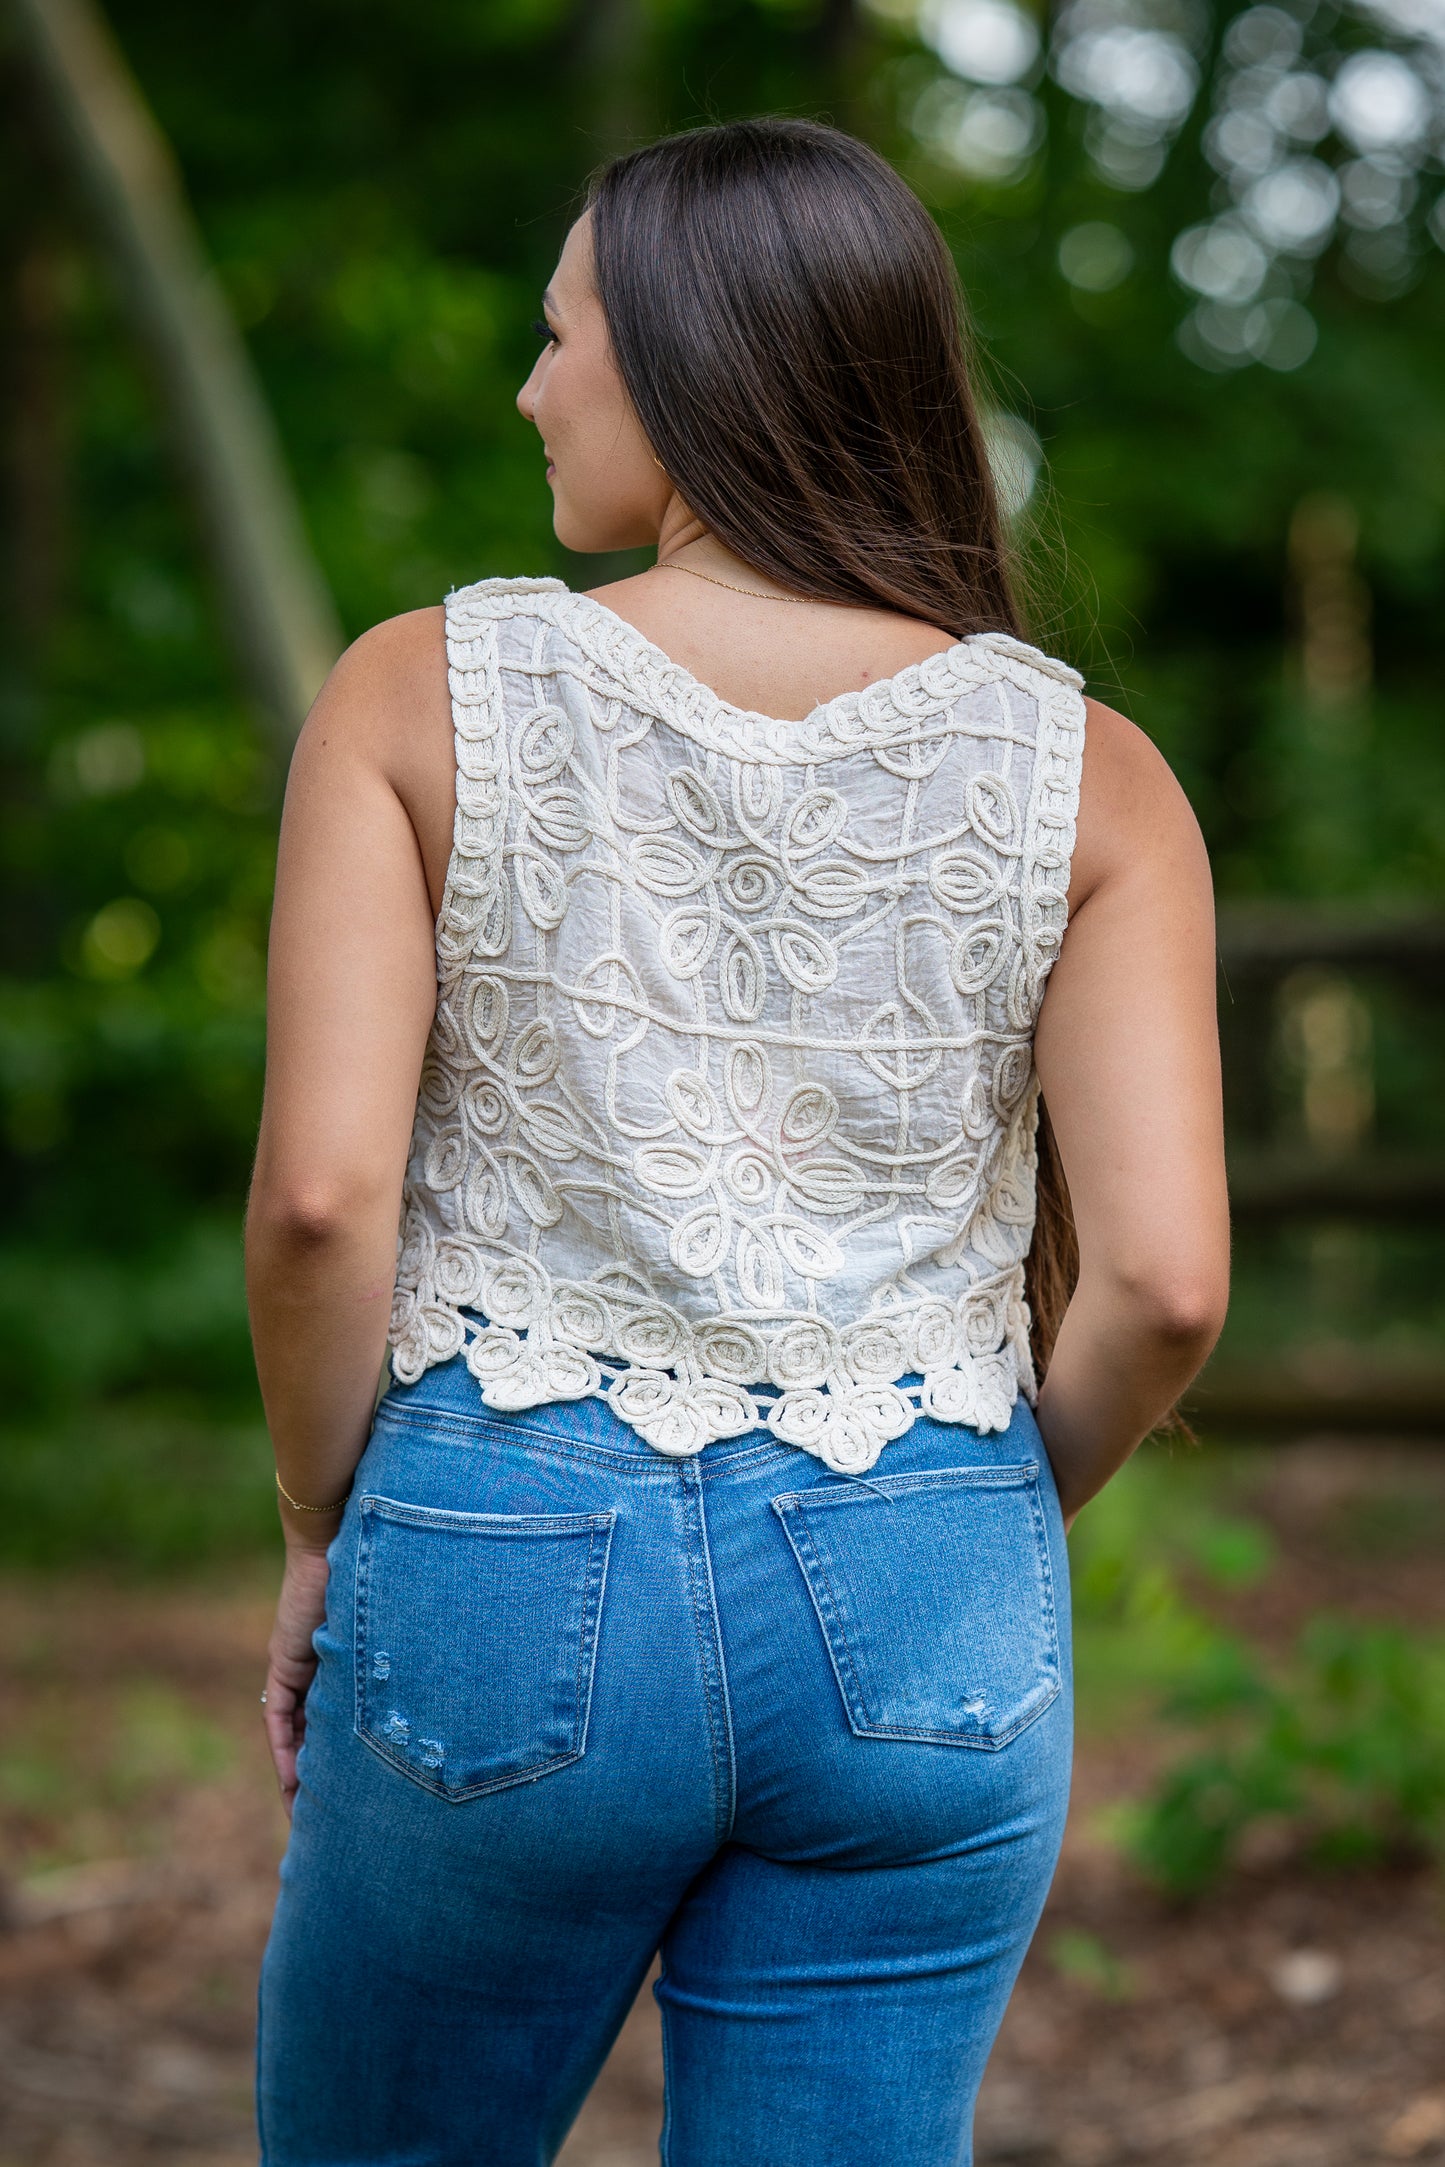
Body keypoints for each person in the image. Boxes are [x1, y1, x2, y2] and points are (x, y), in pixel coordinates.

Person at [246, 117, 1229, 2167]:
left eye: (562, 337)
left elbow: (325, 1201)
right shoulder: (1094, 774)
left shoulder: (416, 695)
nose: (532, 387)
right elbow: (1164, 1282)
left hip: (496, 1550)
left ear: (691, 360)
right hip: (931, 1572)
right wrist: (967, 1508)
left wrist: (317, 1522)